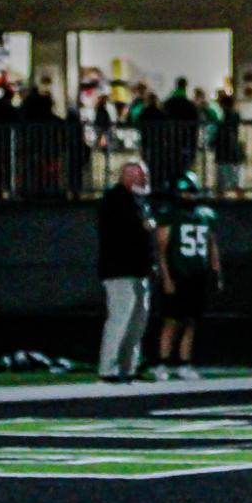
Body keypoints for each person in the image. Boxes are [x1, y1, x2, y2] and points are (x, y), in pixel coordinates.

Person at [153, 171, 222, 379]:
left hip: (197, 275)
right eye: (185, 192)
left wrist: (216, 272)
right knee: (171, 321)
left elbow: (212, 246)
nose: (189, 196)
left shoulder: (205, 215)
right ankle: (163, 363)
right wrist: (166, 277)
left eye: (192, 192)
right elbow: (161, 250)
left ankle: (184, 363)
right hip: (178, 273)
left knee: (191, 321)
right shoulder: (169, 215)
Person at [97, 159, 155, 382]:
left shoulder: (138, 200)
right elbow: (128, 231)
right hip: (120, 270)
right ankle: (108, 367)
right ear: (128, 176)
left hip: (138, 270)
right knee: (120, 318)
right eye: (141, 175)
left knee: (137, 321)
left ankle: (128, 366)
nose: (144, 179)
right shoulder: (115, 199)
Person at [213, 90, 245, 196]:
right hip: (233, 153)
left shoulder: (225, 117)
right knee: (236, 181)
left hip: (225, 152)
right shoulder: (234, 115)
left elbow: (222, 132)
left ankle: (221, 198)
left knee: (222, 181)